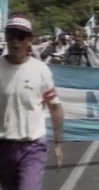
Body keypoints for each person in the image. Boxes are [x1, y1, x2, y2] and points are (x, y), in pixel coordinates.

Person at [0, 15, 64, 190]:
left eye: (20, 37)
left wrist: (58, 143)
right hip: (4, 147)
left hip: (32, 147)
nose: (15, 42)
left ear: (30, 40)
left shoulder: (40, 70)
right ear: (5, 37)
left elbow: (55, 107)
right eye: (11, 36)